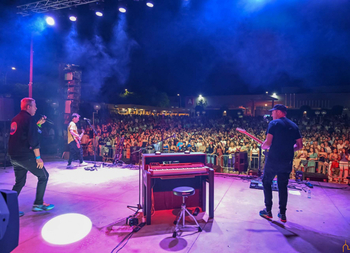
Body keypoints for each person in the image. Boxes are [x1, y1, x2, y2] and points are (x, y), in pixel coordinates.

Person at [8, 98, 54, 216]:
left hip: (14, 156)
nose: (36, 108)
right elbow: (33, 140)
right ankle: (38, 204)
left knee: (20, 182)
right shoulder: (29, 119)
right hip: (25, 156)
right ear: (28, 107)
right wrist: (38, 158)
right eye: (35, 106)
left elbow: (24, 133)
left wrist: (38, 124)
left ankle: (7, 208)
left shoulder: (15, 119)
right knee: (44, 176)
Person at [259, 104, 303, 223]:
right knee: (282, 186)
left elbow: (268, 143)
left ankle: (268, 211)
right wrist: (288, 149)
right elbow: (299, 145)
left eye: (273, 112)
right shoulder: (294, 126)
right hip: (286, 161)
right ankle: (282, 214)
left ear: (278, 112)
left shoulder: (274, 124)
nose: (272, 114)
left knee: (266, 182)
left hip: (273, 160)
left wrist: (263, 146)